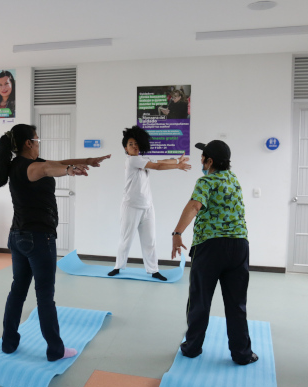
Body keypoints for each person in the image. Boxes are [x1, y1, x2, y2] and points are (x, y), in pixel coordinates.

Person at [0, 123, 110, 361]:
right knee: (45, 296)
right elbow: (47, 169)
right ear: (29, 143)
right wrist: (69, 170)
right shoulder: (33, 168)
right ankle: (55, 350)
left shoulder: (16, 165)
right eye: (37, 140)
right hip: (39, 239)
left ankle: (8, 343)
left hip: (18, 237)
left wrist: (85, 160)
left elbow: (53, 163)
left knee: (18, 291)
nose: (38, 143)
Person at [171, 140, 258, 365]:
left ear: (209, 161)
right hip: (239, 246)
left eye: (203, 157)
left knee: (200, 300)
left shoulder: (206, 181)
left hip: (210, 247)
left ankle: (192, 348)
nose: (201, 161)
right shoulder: (234, 179)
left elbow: (193, 206)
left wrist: (177, 233)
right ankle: (242, 354)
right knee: (237, 304)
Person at [108, 126, 191, 280]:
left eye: (136, 143)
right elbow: (159, 167)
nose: (134, 146)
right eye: (130, 144)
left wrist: (178, 160)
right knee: (126, 239)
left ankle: (153, 270)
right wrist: (177, 166)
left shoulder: (142, 160)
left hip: (147, 207)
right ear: (126, 148)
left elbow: (160, 161)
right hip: (131, 206)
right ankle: (118, 266)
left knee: (150, 240)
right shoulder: (133, 160)